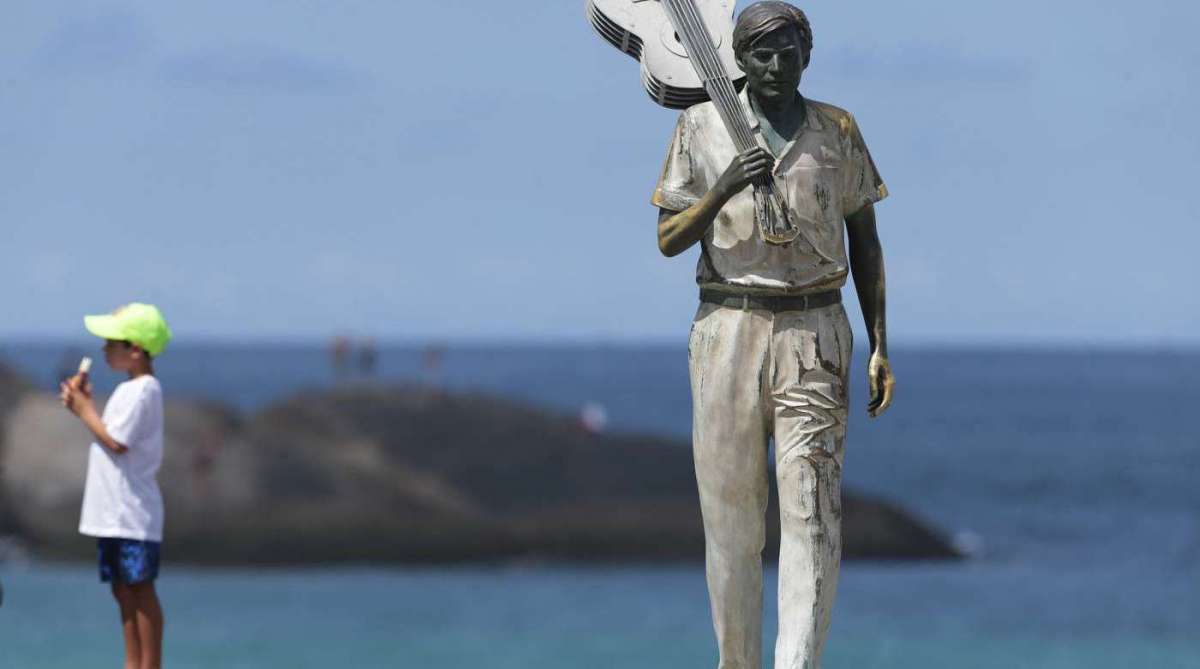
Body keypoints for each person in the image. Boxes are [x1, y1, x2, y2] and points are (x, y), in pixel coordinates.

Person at [653, 3, 895, 667]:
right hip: (727, 328)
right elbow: (668, 237)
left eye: (789, 54)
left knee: (812, 514)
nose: (777, 67)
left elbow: (866, 239)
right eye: (762, 55)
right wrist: (724, 186)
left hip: (815, 328)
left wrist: (879, 343)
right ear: (739, 59)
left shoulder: (836, 130)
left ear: (806, 56)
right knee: (730, 520)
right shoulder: (700, 126)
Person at [59, 303, 172, 669]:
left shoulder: (145, 390)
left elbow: (117, 441)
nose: (105, 349)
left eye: (112, 343)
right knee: (122, 589)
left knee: (140, 589)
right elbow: (112, 434)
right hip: (113, 511)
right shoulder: (130, 390)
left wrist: (83, 410)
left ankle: (149, 663)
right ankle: (132, 661)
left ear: (135, 350)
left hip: (131, 512)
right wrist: (85, 406)